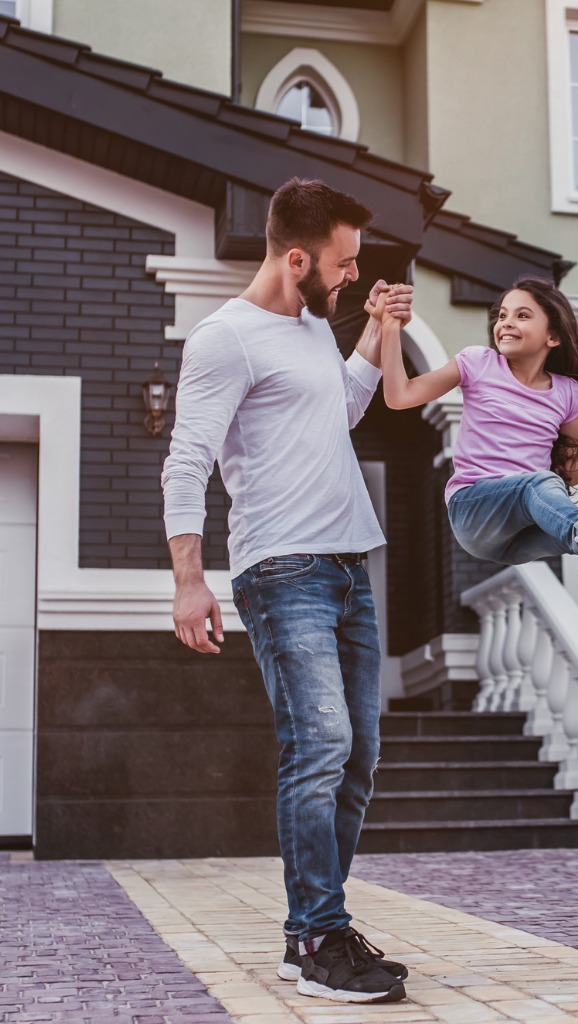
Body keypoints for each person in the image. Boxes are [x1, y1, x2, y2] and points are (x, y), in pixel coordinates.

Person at [161, 178, 412, 1005]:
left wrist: (376, 332)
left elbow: (338, 410)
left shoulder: (310, 328)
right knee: (321, 746)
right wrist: (190, 581)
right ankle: (312, 937)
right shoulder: (223, 339)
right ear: (296, 256)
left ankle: (326, 924)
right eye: (342, 266)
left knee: (359, 758)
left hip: (349, 566)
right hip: (283, 571)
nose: (348, 278)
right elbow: (186, 458)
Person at [374, 275, 578, 574]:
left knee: (558, 509)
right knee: (541, 485)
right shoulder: (478, 363)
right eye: (502, 315)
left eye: (522, 315)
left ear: (553, 336)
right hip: (473, 511)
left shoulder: (568, 391)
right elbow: (400, 396)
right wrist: (389, 328)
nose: (506, 322)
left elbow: (570, 473)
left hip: (522, 532)